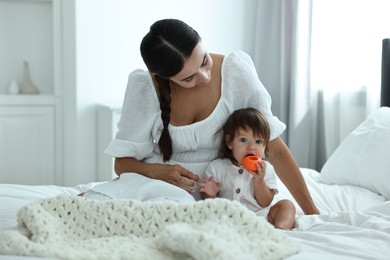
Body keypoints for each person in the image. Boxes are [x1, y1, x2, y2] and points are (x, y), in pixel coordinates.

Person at [85, 18, 319, 214]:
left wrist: (313, 214)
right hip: (159, 188)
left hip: (220, 194)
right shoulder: (145, 86)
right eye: (188, 78)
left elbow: (274, 148)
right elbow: (122, 164)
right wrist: (158, 172)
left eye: (204, 61)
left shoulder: (236, 71)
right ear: (160, 76)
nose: (205, 77)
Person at [198, 108, 296, 230]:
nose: (251, 147)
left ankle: (281, 228)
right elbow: (208, 202)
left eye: (258, 141)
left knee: (287, 205)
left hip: (259, 217)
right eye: (244, 140)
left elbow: (265, 203)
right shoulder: (217, 167)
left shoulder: (266, 169)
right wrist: (210, 194)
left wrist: (259, 182)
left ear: (265, 146)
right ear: (229, 142)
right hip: (227, 217)